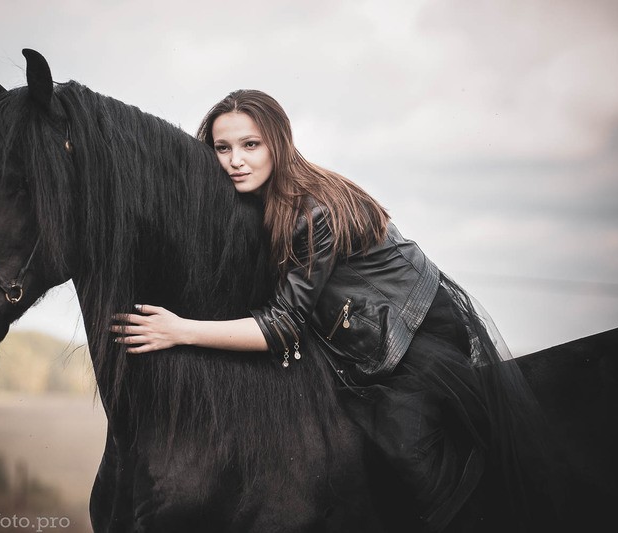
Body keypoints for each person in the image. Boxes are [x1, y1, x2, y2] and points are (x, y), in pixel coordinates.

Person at [112, 90, 557, 531]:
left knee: (405, 446)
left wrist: (180, 330)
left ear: (278, 144)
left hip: (405, 328)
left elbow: (283, 321)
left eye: (251, 145)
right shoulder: (249, 198)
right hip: (340, 322)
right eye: (222, 148)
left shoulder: (311, 211)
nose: (235, 161)